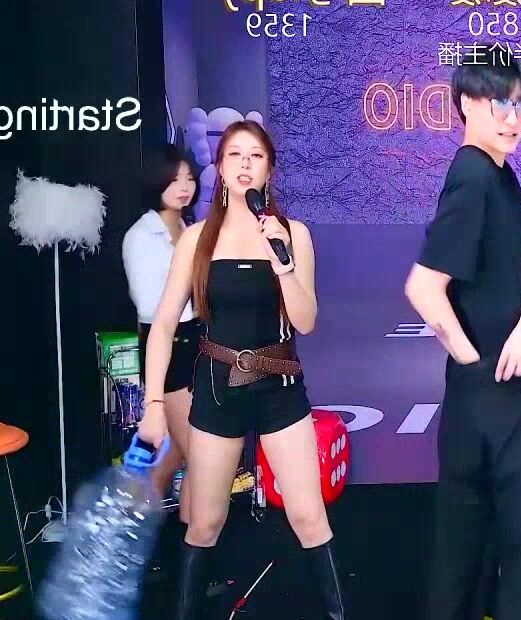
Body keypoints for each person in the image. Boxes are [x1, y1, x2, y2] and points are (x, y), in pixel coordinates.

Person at [137, 120, 346, 619]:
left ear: (269, 169)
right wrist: (154, 403)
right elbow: (162, 326)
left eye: (256, 155)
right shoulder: (196, 240)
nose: (245, 164)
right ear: (221, 168)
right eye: (235, 154)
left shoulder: (293, 234)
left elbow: (306, 321)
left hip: (279, 388)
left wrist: (283, 263)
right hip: (216, 392)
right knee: (205, 523)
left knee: (308, 516)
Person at [404, 43, 521, 620]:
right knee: (507, 548)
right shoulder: (472, 175)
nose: (515, 119)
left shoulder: (499, 173)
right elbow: (423, 287)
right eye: (501, 104)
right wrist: (474, 364)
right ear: (467, 103)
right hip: (492, 394)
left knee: (481, 544)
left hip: (512, 385)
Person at [122, 143, 199, 524]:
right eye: (174, 179)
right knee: (199, 455)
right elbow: (150, 308)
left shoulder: (190, 229)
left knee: (176, 453)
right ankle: (195, 542)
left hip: (195, 342)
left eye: (189, 178)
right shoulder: (141, 235)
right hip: (166, 347)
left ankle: (139, 532)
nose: (184, 187)